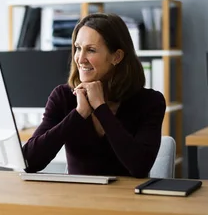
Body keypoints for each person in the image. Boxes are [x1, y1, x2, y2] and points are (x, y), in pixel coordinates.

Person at [21, 13, 166, 178]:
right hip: (78, 201)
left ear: (116, 57)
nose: (80, 59)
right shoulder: (63, 96)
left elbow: (139, 167)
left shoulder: (150, 102)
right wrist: (79, 113)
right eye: (77, 48)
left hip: (128, 201)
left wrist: (100, 107)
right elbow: (29, 162)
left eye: (91, 50)